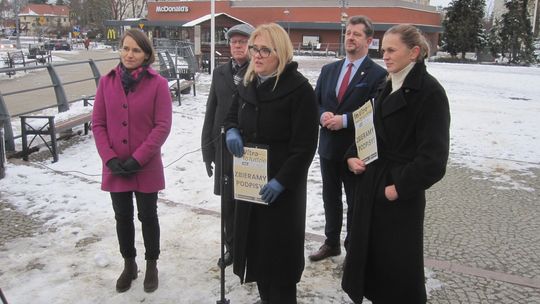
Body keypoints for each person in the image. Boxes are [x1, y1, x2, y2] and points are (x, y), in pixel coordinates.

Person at [341, 24, 450, 303]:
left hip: (397, 197)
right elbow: (369, 129)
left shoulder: (429, 92)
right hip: (371, 184)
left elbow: (433, 160)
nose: (384, 56)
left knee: (396, 274)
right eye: (382, 50)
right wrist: (352, 155)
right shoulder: (386, 84)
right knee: (373, 268)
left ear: (414, 52)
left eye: (391, 50)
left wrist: (396, 188)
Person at [224, 23, 319, 304]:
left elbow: (304, 147)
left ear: (281, 52)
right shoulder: (248, 81)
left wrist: (282, 180)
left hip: (281, 191)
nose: (257, 54)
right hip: (250, 184)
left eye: (265, 49)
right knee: (258, 256)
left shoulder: (299, 89)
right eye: (255, 48)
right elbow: (231, 116)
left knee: (280, 261)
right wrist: (231, 130)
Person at [92, 28, 172, 293]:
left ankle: (151, 264)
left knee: (148, 216)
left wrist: (138, 159)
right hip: (115, 167)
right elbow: (98, 123)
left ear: (146, 54)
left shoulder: (158, 84)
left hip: (145, 165)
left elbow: (162, 126)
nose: (129, 54)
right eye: (125, 48)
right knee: (122, 216)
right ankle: (129, 264)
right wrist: (109, 158)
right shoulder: (107, 82)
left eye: (136, 50)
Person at [309, 15, 387, 262]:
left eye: (357, 34)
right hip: (329, 147)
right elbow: (316, 102)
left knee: (355, 202)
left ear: (369, 40)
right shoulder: (329, 70)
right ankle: (331, 243)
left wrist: (344, 120)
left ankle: (354, 248)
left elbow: (377, 110)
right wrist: (322, 116)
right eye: (348, 33)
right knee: (330, 198)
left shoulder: (378, 75)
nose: (350, 38)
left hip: (357, 150)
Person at [201, 23, 254, 268]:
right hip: (221, 147)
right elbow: (211, 110)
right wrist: (206, 150)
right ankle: (231, 247)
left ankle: (250, 248)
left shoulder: (258, 71)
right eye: (234, 42)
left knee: (248, 200)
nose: (237, 46)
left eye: (242, 42)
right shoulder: (219, 72)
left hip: (248, 149)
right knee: (227, 204)